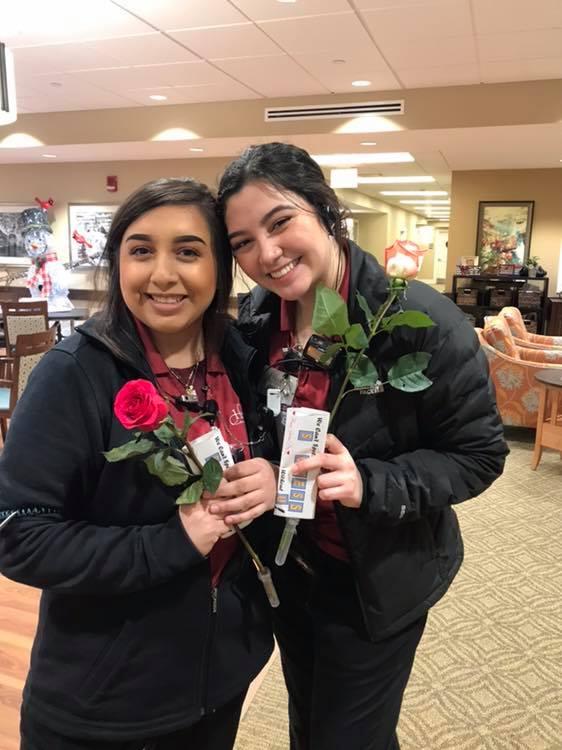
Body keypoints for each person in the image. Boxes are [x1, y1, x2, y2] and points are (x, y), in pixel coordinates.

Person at [217, 143, 509, 750]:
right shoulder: (256, 318)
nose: (266, 254)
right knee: (312, 719)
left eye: (280, 222)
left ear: (326, 211)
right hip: (289, 570)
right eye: (242, 242)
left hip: (375, 578)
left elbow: (478, 454)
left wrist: (371, 483)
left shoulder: (420, 321)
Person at [0, 177, 278, 749]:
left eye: (188, 251)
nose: (162, 274)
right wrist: (172, 541)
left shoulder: (239, 362)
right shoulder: (75, 374)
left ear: (221, 268)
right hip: (104, 702)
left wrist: (267, 477)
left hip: (218, 683)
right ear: (117, 262)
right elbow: (18, 534)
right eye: (141, 250)